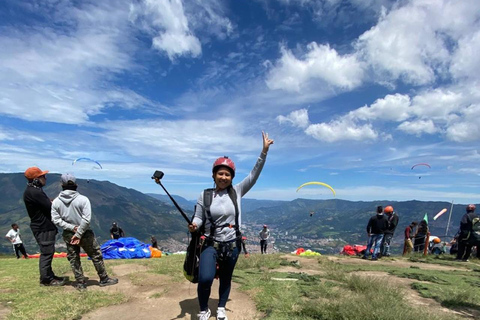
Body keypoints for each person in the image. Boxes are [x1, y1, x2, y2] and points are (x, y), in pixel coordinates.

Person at [188, 131, 274, 320]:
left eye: (227, 174)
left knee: (226, 278)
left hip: (232, 244)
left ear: (232, 177)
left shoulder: (237, 191)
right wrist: (194, 224)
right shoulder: (205, 195)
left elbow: (254, 175)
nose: (224, 177)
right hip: (210, 243)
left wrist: (264, 152)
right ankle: (204, 309)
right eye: (220, 173)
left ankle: (220, 308)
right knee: (205, 278)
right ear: (214, 175)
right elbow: (199, 217)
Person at [51, 173, 118, 290]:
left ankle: (80, 283)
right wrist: (79, 232)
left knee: (74, 257)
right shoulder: (83, 199)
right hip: (85, 233)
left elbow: (55, 220)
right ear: (76, 184)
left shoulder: (56, 202)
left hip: (68, 233)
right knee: (96, 255)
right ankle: (104, 279)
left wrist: (72, 229)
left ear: (62, 185)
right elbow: (86, 220)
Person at [23, 167, 65, 286]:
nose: (45, 178)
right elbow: (49, 207)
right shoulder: (35, 192)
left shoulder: (32, 191)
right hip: (43, 228)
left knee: (49, 251)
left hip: (42, 227)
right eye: (42, 176)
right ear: (36, 179)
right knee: (47, 252)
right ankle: (46, 279)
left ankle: (49, 275)